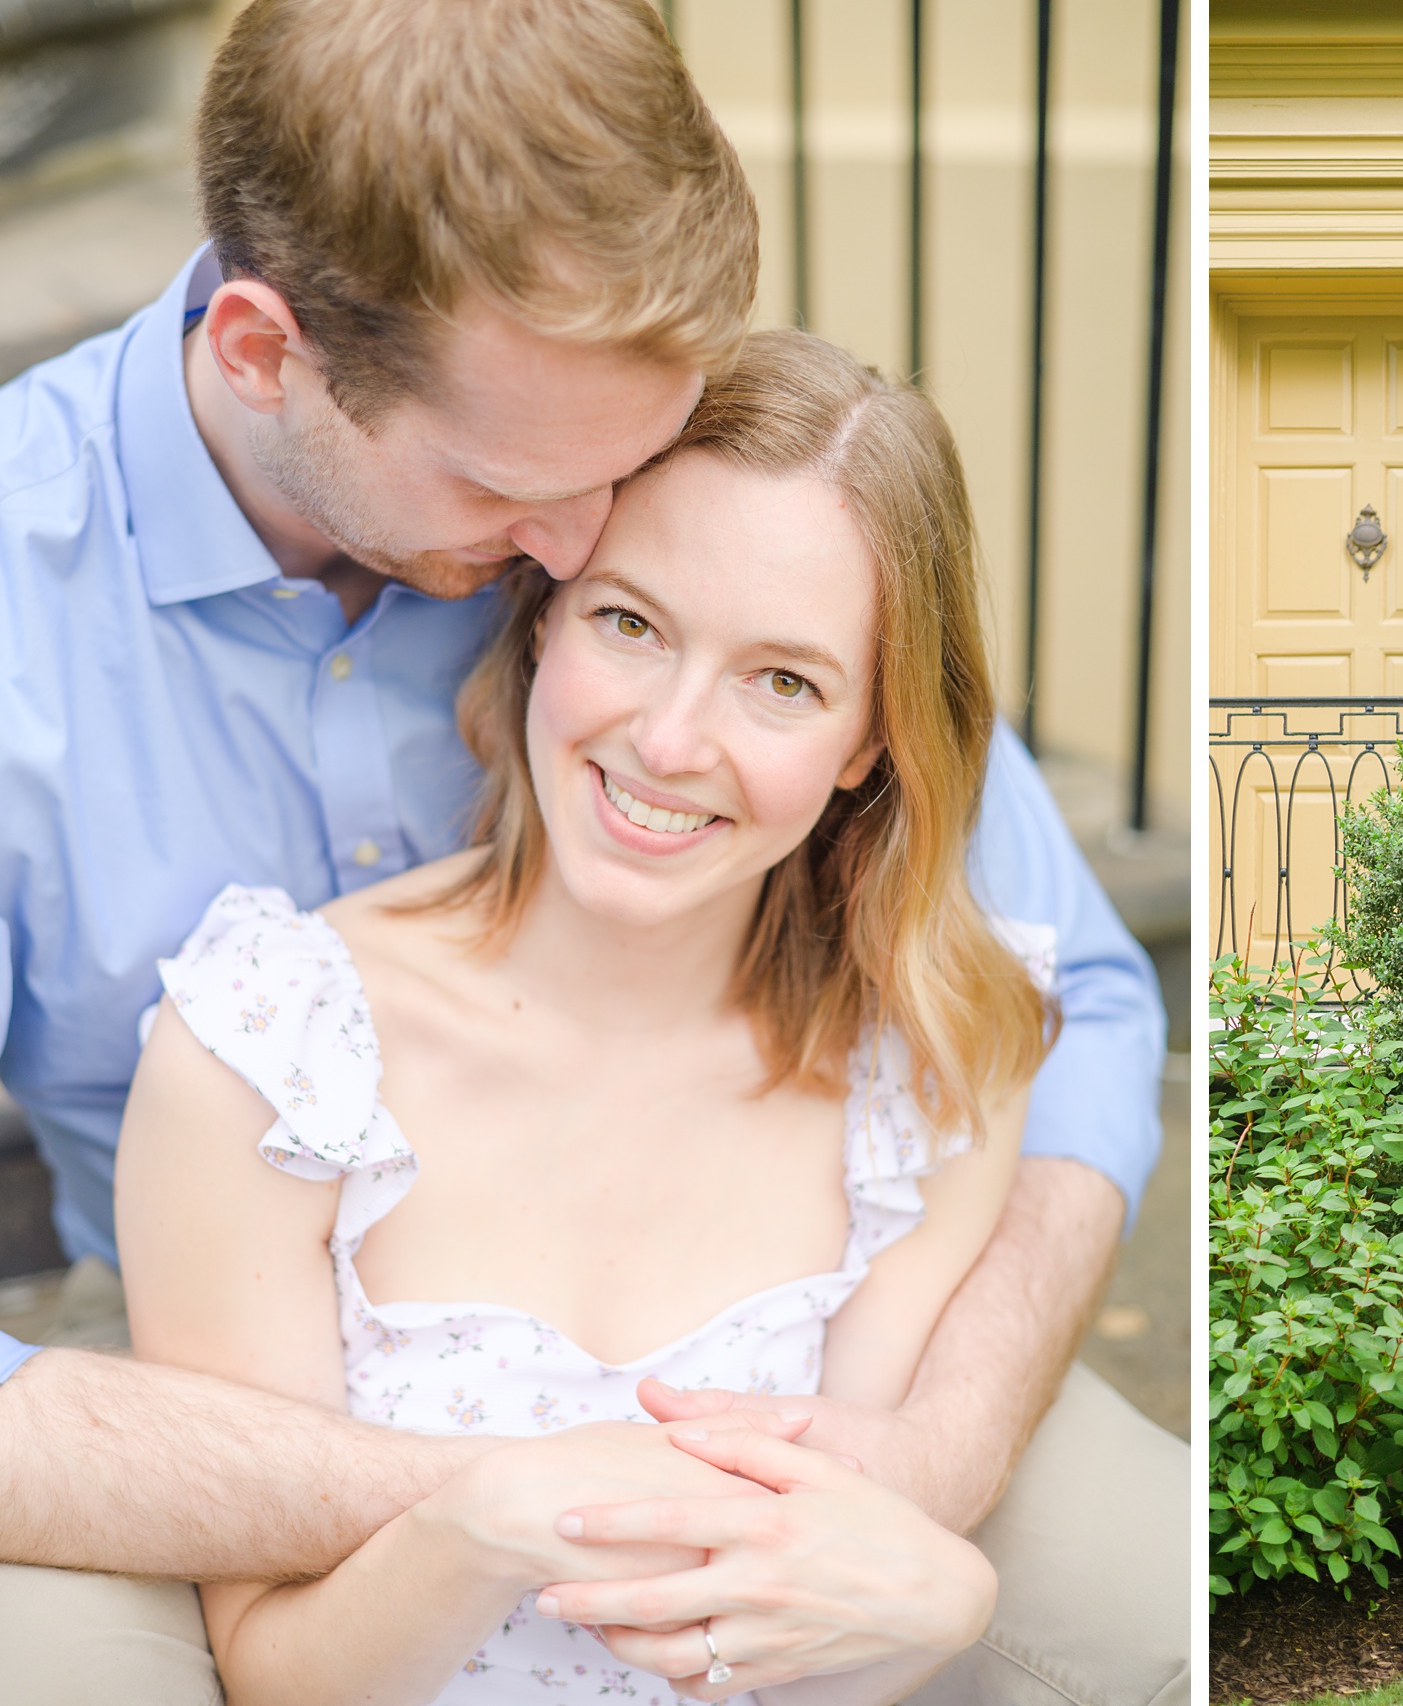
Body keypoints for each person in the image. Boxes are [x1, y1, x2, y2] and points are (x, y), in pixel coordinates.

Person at [0, 0, 1183, 1701]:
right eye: (511, 489)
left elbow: (1078, 1001)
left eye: (614, 479)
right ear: (263, 352)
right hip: (206, 1376)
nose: (567, 556)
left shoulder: (634, 496)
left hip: (766, 1328)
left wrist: (925, 1463)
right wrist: (480, 1488)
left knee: (1158, 1609)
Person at [119, 329, 1044, 1703]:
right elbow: (272, 1671)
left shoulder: (926, 1068)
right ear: (545, 617)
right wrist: (486, 1519)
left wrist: (947, 1592)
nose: (672, 741)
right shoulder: (269, 1047)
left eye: (783, 681)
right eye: (632, 622)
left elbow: (841, 1608)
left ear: (866, 745)